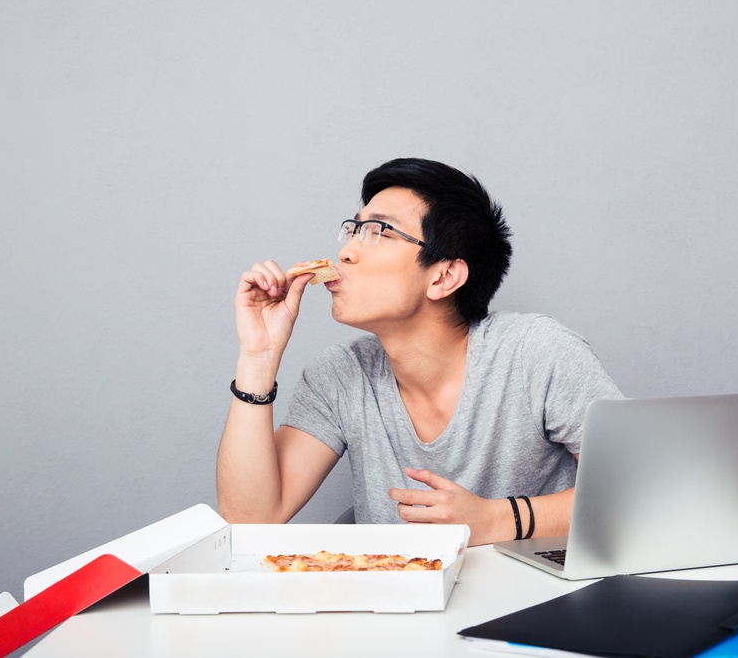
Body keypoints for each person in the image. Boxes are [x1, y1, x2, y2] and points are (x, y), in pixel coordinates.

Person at [216, 158, 624, 546]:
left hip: (531, 608)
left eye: (380, 231)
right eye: (353, 230)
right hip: (398, 609)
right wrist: (258, 355)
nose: (345, 252)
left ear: (444, 276)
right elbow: (249, 520)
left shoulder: (537, 354)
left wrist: (497, 520)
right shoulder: (340, 375)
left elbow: (637, 491)